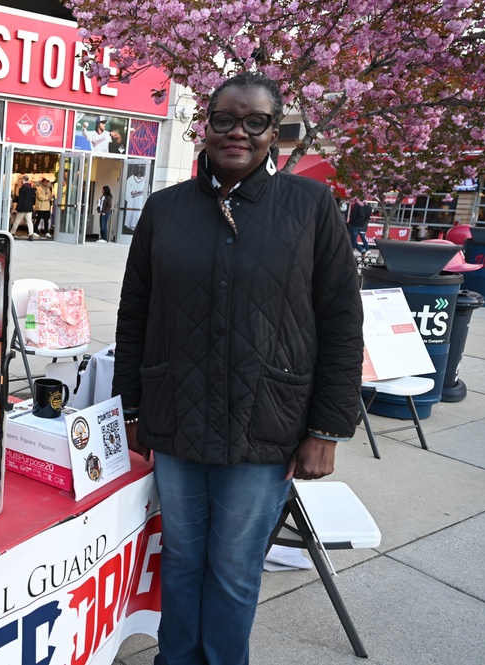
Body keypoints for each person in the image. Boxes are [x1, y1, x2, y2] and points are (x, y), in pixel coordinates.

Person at [112, 71, 363, 665]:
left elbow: (341, 322)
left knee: (232, 570)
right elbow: (135, 315)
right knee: (179, 559)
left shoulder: (310, 206)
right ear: (206, 125)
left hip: (265, 424)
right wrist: (130, 409)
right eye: (225, 119)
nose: (238, 133)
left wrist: (326, 430)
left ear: (275, 132)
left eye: (256, 123)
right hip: (177, 417)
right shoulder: (165, 209)